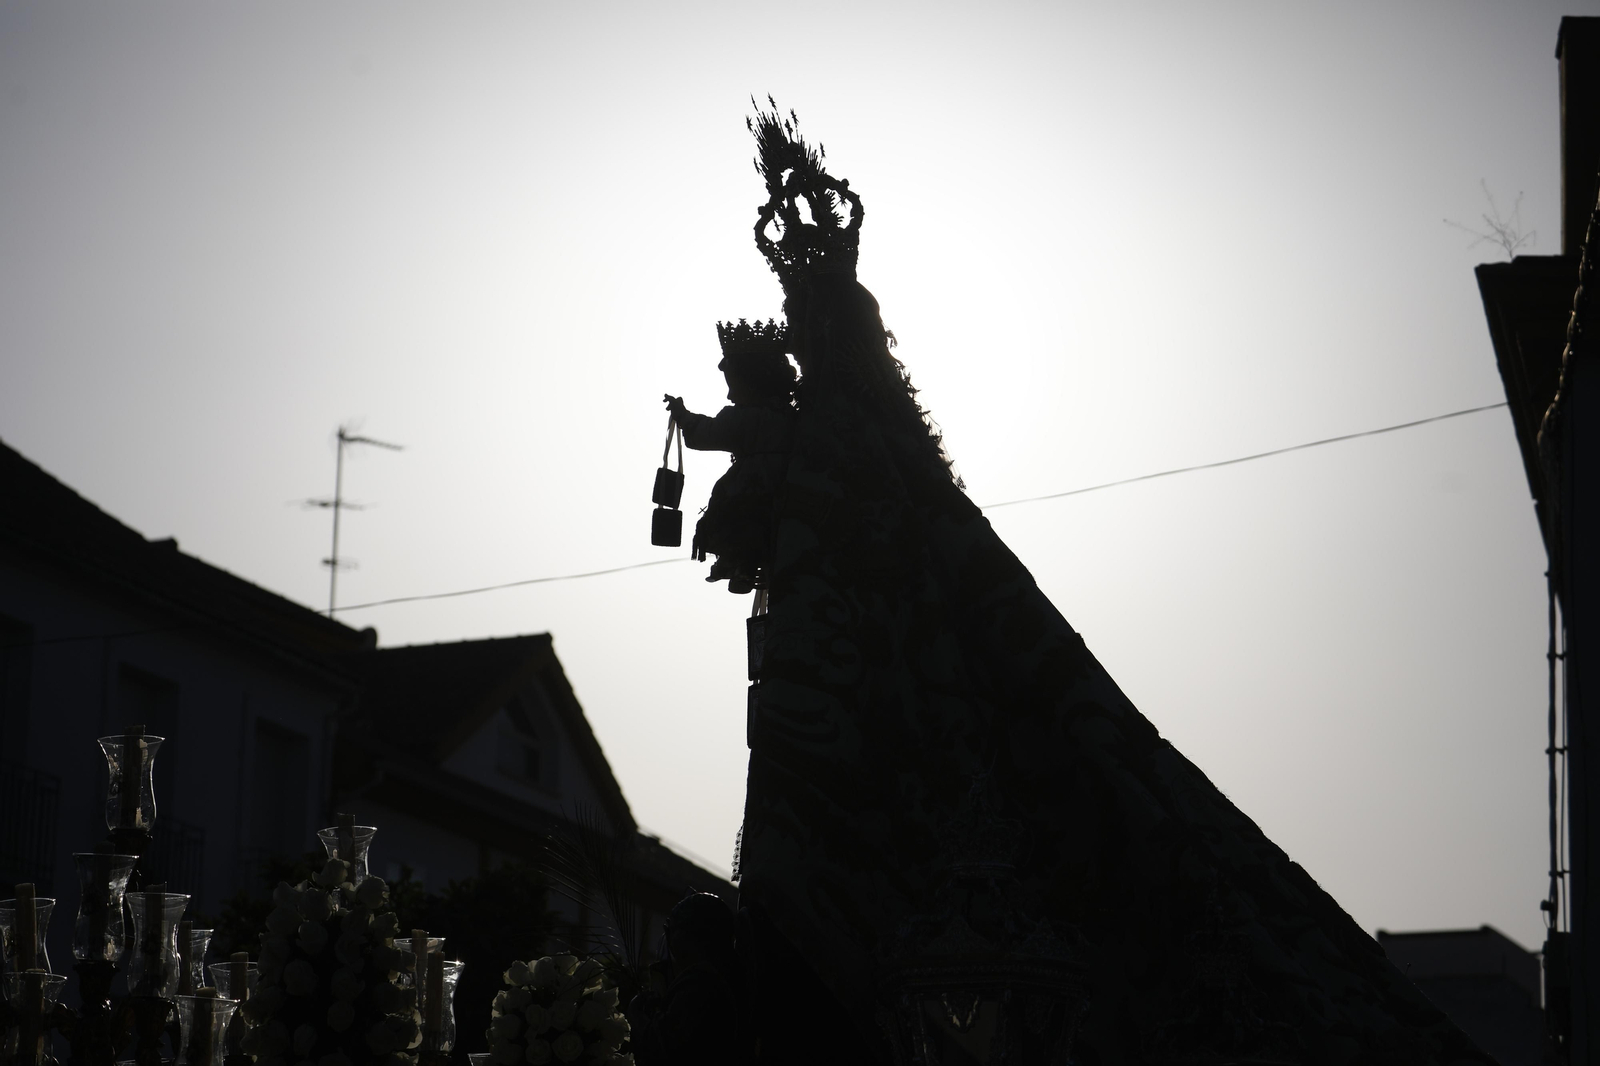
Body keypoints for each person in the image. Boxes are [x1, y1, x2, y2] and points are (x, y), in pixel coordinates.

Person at [663, 345, 797, 595]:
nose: (730, 395)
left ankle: (739, 564)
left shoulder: (742, 418)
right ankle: (745, 565)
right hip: (789, 484)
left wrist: (683, 416)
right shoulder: (793, 415)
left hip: (752, 485)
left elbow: (707, 434)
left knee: (738, 515)